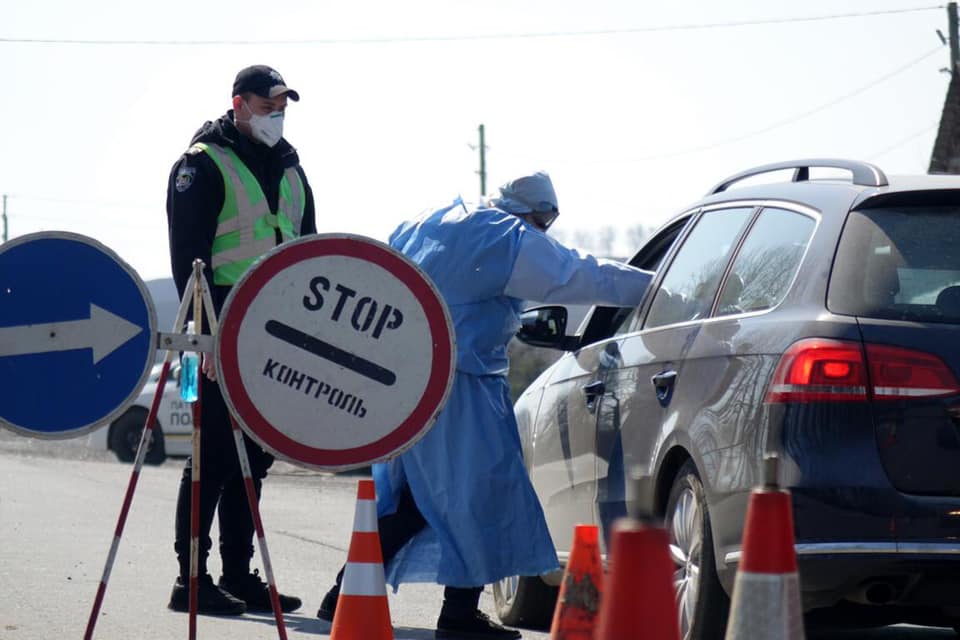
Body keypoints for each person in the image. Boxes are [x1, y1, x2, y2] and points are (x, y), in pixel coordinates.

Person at [316, 171, 653, 638]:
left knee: (418, 497)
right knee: (480, 495)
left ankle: (344, 595)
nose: (545, 231)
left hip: (407, 380)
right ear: (529, 212)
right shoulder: (505, 237)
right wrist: (656, 286)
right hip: (462, 384)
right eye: (543, 220)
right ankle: (455, 615)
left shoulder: (434, 220)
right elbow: (579, 274)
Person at [165, 64, 316, 615]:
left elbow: (311, 252)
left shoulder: (291, 166)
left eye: (283, 105)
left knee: (254, 456)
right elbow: (189, 257)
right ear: (239, 103)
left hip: (277, 331)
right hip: (220, 322)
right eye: (269, 103)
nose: (277, 113)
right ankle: (191, 579)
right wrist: (204, 336)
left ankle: (237, 573)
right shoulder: (201, 165)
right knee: (212, 453)